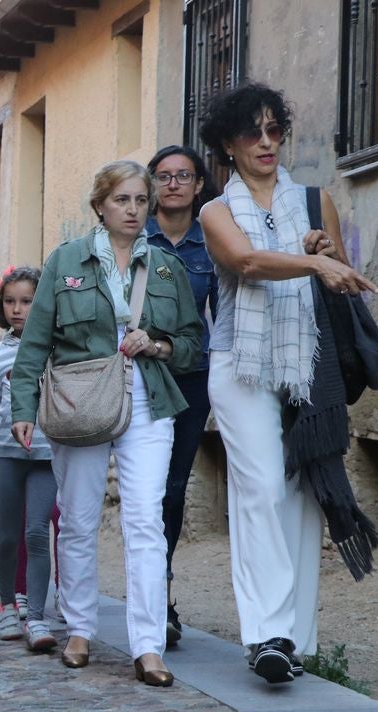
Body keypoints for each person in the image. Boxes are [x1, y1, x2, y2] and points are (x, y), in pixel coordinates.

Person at [197, 83, 377, 684]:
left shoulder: (314, 199)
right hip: (241, 363)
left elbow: (339, 277)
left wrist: (324, 250)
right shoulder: (216, 211)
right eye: (253, 132)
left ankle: (295, 642)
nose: (267, 142)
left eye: (275, 129)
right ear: (228, 144)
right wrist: (310, 261)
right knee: (263, 489)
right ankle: (267, 634)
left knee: (301, 494)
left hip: (307, 363)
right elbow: (246, 262)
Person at [9, 161, 203, 687]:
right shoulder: (66, 260)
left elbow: (192, 345)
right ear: (100, 205)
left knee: (145, 520)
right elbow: (35, 341)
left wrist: (157, 344)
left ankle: (148, 645)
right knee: (77, 518)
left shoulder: (166, 267)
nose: (133, 210)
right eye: (122, 200)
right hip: (81, 399)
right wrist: (23, 407)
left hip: (148, 399)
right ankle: (79, 630)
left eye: (141, 200)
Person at [144, 145, 218, 646]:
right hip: (140, 374)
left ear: (198, 185)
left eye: (183, 176)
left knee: (171, 489)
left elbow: (224, 312)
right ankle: (147, 593)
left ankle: (161, 596)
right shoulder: (134, 236)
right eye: (164, 176)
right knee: (146, 491)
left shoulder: (211, 242)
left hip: (191, 376)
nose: (173, 184)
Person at [0, 266, 57, 650]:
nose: (17, 309)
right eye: (10, 301)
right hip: (9, 453)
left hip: (46, 452)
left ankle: (38, 617)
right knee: (8, 535)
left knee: (36, 532)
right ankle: (7, 605)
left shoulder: (56, 350)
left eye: (26, 301)